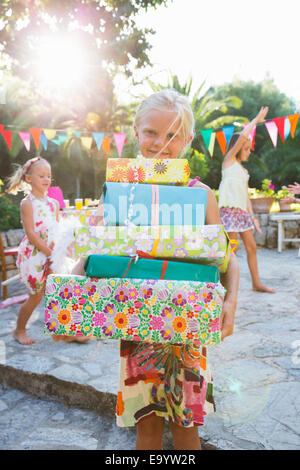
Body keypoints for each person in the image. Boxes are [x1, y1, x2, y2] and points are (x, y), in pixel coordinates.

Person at [73, 89, 239, 450]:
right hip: (137, 325)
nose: (161, 143)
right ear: (135, 132)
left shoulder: (200, 195)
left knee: (186, 429)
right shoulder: (118, 193)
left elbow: (228, 259)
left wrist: (230, 304)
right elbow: (91, 251)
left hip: (187, 329)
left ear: (188, 140)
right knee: (145, 428)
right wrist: (67, 298)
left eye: (172, 135)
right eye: (151, 132)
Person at [6, 156, 88, 345]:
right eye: (41, 175)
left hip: (52, 253)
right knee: (35, 296)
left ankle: (67, 331)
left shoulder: (53, 203)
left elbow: (57, 229)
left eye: (48, 176)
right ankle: (19, 330)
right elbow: (31, 234)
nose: (46, 179)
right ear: (28, 179)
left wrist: (61, 249)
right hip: (34, 255)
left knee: (59, 291)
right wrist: (49, 252)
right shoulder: (27, 204)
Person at [218, 107, 275, 294]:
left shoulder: (243, 171)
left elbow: (246, 197)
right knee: (231, 253)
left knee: (252, 247)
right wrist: (256, 119)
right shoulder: (228, 162)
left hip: (242, 214)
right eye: (246, 148)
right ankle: (225, 288)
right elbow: (242, 136)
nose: (249, 152)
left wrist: (253, 218)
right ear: (237, 148)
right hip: (229, 213)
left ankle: (256, 283)